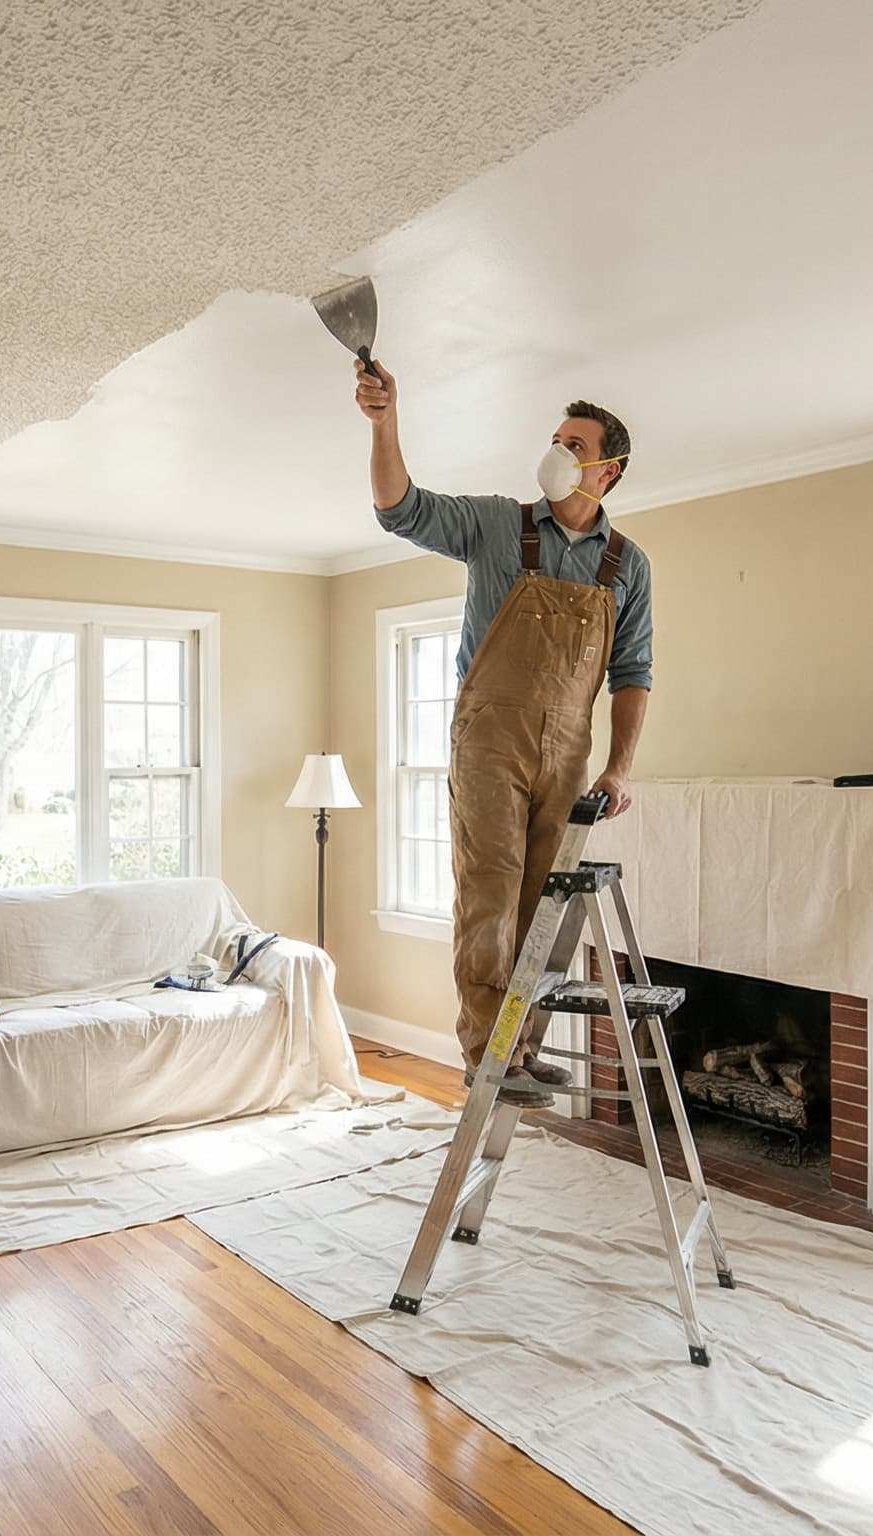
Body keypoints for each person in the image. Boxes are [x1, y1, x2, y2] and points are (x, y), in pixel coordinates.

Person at [358, 360, 652, 1108]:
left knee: (546, 906)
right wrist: (385, 421)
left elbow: (633, 672)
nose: (558, 453)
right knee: (489, 896)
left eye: (575, 445)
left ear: (608, 472)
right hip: (489, 740)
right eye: (556, 438)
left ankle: (524, 1045)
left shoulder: (626, 565)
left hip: (570, 751)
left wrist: (618, 768)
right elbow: (401, 509)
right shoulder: (500, 525)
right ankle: (487, 1054)